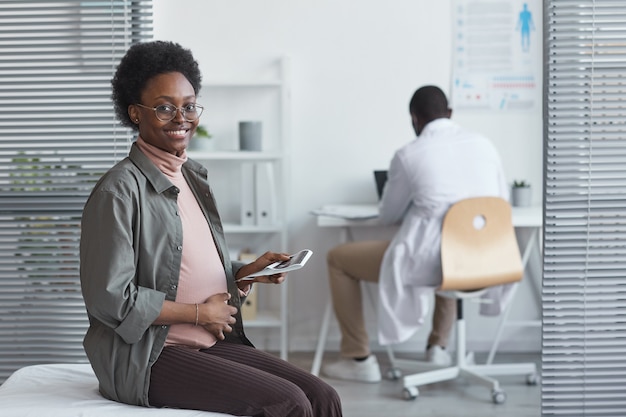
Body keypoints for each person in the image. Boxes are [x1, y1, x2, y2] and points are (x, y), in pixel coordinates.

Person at [79, 40, 342, 417]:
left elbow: (181, 265)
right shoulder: (118, 191)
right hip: (151, 355)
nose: (181, 117)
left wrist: (241, 273)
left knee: (323, 396)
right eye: (165, 107)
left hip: (207, 341)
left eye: (188, 106)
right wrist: (199, 315)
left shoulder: (191, 176)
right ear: (135, 113)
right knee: (289, 404)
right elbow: (110, 300)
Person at [322, 86, 510, 383]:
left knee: (338, 259)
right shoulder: (484, 145)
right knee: (453, 247)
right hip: (487, 257)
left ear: (414, 119)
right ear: (450, 113)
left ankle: (358, 358)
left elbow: (389, 215)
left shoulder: (410, 154)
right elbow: (501, 201)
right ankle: (438, 347)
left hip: (435, 263)